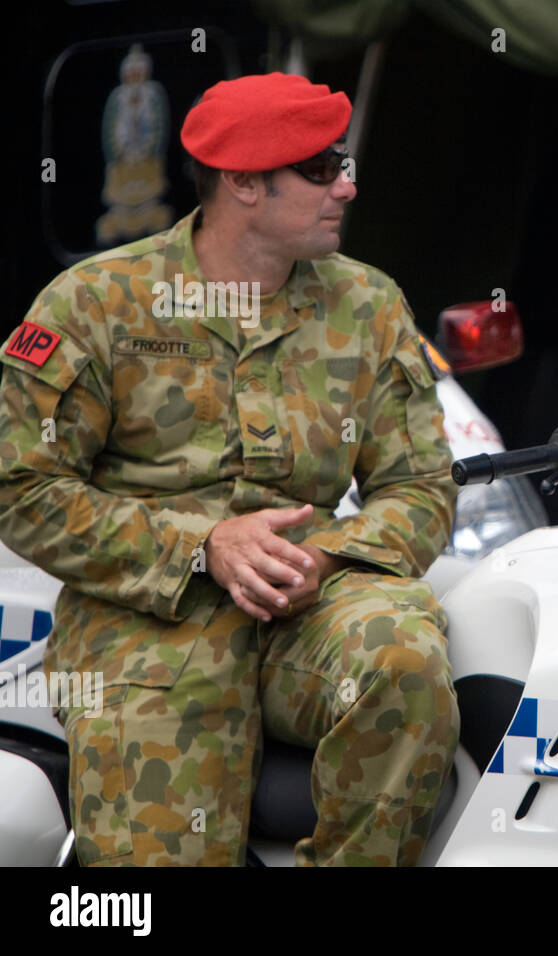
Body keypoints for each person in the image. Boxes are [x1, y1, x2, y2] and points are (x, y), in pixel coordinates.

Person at [0, 73, 459, 866]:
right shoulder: (98, 305)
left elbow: (420, 487)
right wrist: (202, 545)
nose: (346, 186)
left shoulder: (368, 304)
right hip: (145, 627)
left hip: (304, 606)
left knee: (404, 658)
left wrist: (325, 557)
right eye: (319, 170)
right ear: (244, 183)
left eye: (341, 162)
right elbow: (23, 491)